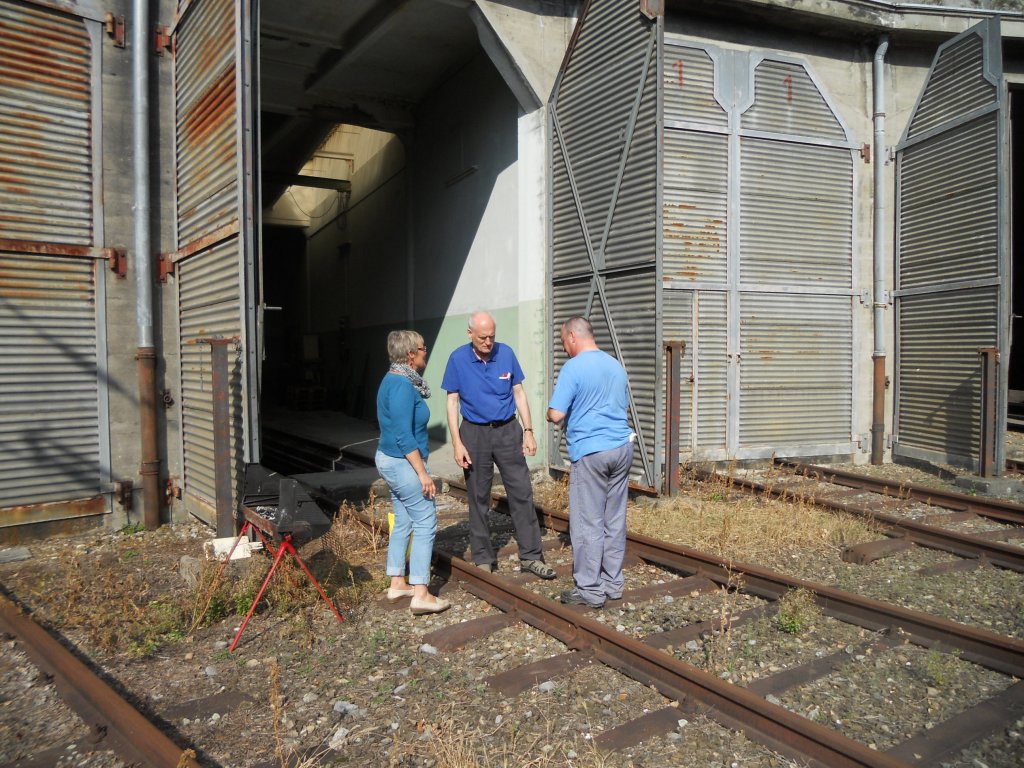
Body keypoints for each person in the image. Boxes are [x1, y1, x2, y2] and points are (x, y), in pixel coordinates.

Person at [442, 311, 556, 579]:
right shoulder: (457, 359)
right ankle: (483, 558)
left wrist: (529, 431)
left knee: (522, 493)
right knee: (478, 497)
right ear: (470, 334)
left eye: (492, 336)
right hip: (474, 434)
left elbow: (519, 393)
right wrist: (457, 443)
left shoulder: (506, 353)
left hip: (507, 431)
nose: (488, 342)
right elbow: (452, 402)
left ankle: (531, 556)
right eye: (483, 337)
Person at [546, 316, 634, 609]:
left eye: (563, 341)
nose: (564, 347)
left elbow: (556, 414)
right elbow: (622, 407)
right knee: (614, 519)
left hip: (591, 452)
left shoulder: (573, 367)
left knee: (587, 522)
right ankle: (613, 584)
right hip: (621, 449)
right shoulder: (615, 365)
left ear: (573, 336)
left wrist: (549, 413)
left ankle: (590, 589)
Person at [374, 330, 450, 615]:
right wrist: (423, 474)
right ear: (410, 354)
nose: (425, 352)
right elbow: (404, 436)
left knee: (404, 520)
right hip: (403, 462)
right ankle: (421, 592)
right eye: (423, 348)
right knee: (426, 522)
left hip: (392, 460)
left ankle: (397, 582)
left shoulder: (393, 378)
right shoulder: (402, 386)